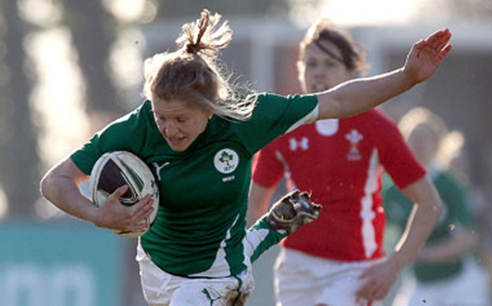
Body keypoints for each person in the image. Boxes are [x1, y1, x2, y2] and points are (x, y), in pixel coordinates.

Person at [39, 8, 452, 306]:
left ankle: (254, 249)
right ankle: (269, 230)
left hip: (219, 278)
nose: (169, 129)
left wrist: (408, 77)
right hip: (157, 269)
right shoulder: (138, 126)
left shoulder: (247, 118)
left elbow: (338, 100)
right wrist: (97, 215)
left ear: (209, 108)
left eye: (181, 118)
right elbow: (54, 182)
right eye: (162, 117)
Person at [247, 19, 444, 306]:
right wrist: (248, 253)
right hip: (295, 270)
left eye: (329, 64)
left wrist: (392, 266)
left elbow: (430, 203)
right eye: (311, 64)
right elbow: (255, 202)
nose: (319, 72)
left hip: (355, 270)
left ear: (352, 73)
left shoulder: (377, 128)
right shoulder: (285, 126)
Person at [381, 107, 488, 306]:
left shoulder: (449, 184)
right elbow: (375, 229)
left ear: (437, 144)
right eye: (414, 137)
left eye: (425, 137)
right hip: (421, 283)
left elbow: (469, 238)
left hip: (460, 282)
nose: (419, 144)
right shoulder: (392, 188)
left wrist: (425, 254)